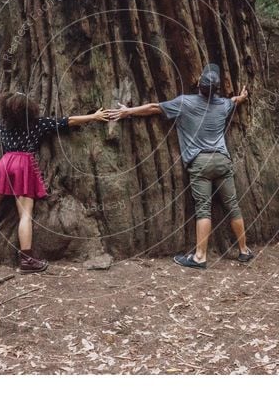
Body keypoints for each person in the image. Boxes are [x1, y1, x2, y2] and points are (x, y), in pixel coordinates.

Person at [107, 63, 253, 269]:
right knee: (233, 205)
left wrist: (127, 111)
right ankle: (244, 250)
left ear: (199, 86)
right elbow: (233, 101)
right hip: (222, 160)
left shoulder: (184, 103)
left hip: (200, 163)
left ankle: (200, 257)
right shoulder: (223, 105)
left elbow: (153, 108)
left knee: (204, 210)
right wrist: (243, 98)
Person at [0, 92, 108, 273]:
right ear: (29, 109)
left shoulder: (3, 126)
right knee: (25, 215)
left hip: (5, 163)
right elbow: (68, 121)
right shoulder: (37, 124)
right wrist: (93, 116)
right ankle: (26, 260)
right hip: (23, 165)